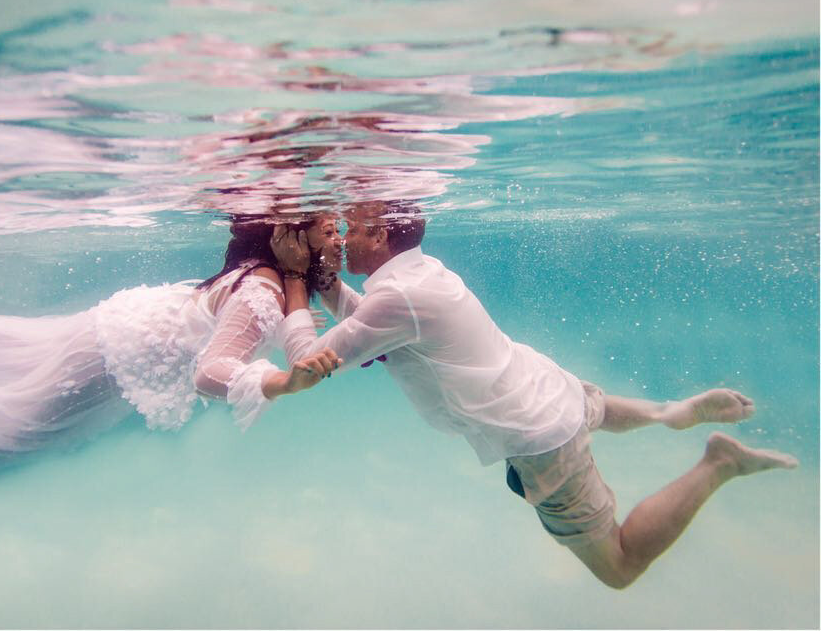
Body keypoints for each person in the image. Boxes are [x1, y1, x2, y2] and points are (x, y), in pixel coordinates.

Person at [269, 201, 799, 589]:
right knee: (592, 412)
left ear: (381, 232)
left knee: (619, 565)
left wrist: (296, 275)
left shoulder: (398, 296)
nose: (342, 236)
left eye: (350, 229)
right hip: (538, 384)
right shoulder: (419, 273)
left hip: (538, 436)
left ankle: (718, 463)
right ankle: (671, 413)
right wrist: (320, 275)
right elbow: (368, 324)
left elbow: (306, 366)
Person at [0, 215, 343, 521]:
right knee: (15, 430)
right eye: (329, 229)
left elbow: (327, 328)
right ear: (291, 239)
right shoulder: (262, 292)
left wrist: (303, 281)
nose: (338, 237)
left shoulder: (278, 280)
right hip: (123, 352)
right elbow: (210, 372)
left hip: (128, 334)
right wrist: (281, 383)